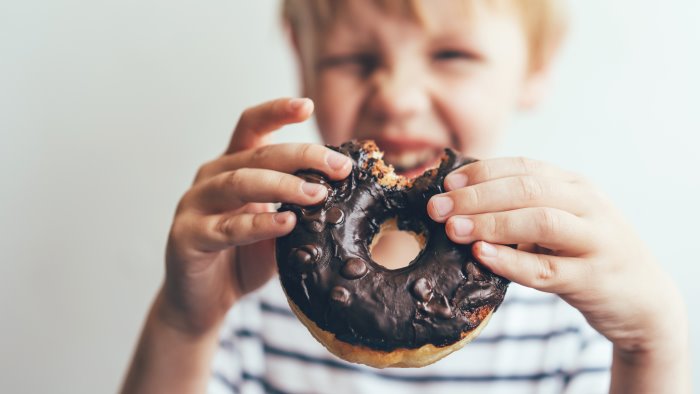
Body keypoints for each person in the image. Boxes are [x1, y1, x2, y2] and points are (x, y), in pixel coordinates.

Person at [120, 1, 690, 393]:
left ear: (536, 63)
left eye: (452, 56)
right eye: (354, 60)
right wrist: (185, 323)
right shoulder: (246, 300)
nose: (396, 98)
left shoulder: (571, 313)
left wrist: (650, 346)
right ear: (303, 59)